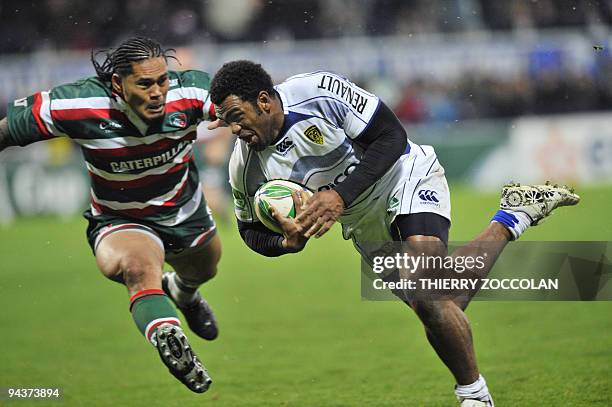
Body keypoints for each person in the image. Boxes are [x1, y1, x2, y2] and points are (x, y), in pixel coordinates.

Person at [208, 60, 580, 406]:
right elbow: (248, 231)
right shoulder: (244, 167)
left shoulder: (319, 91)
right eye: (227, 123)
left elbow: (391, 136)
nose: (236, 130)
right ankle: (513, 215)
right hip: (360, 221)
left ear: (263, 101)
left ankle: (474, 395)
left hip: (403, 176)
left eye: (238, 117)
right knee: (438, 304)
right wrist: (284, 243)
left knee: (427, 290)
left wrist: (339, 195)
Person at [0, 37, 222, 393]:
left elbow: (242, 113)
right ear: (118, 83)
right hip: (120, 217)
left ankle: (183, 294)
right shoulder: (78, 103)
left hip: (184, 206)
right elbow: (7, 131)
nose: (157, 92)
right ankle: (169, 337)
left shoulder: (192, 90)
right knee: (136, 269)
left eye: (162, 80)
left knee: (206, 268)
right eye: (145, 83)